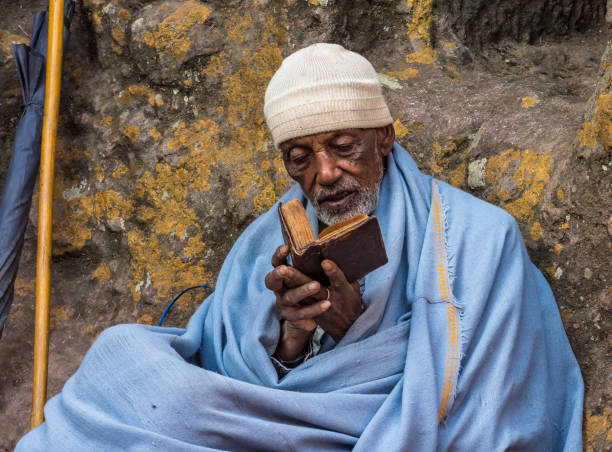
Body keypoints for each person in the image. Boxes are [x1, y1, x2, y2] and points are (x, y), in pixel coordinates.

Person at [17, 43, 583, 451]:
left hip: (382, 426)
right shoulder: (266, 238)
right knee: (121, 351)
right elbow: (228, 376)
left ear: (384, 138)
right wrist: (292, 339)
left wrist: (353, 330)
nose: (326, 174)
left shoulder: (479, 237)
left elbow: (482, 403)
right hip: (271, 423)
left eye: (343, 147)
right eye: (301, 158)